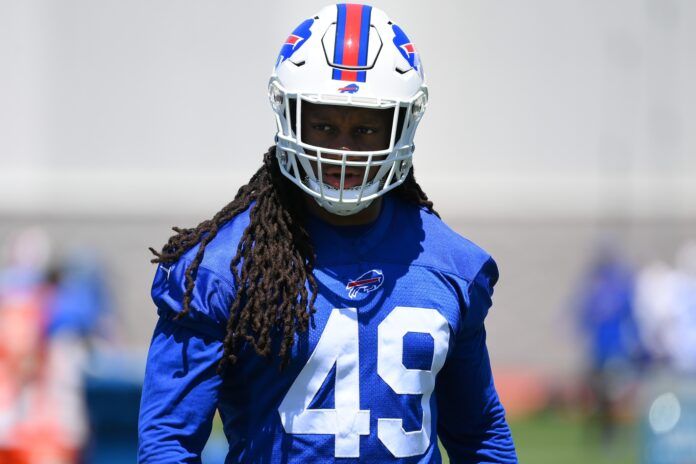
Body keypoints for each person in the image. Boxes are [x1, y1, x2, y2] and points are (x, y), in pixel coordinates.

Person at [138, 4, 517, 463]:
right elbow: (169, 445)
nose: (342, 150)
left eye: (363, 129)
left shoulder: (451, 265)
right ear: (289, 119)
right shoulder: (223, 268)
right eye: (322, 125)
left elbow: (478, 434)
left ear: (401, 126)